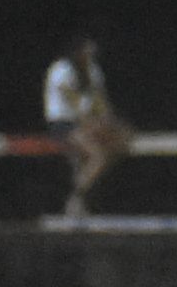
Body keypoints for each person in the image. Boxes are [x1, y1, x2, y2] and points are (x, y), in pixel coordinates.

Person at [46, 34, 124, 218]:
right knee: (97, 155)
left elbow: (100, 101)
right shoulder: (61, 69)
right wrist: (94, 122)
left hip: (85, 122)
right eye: (86, 51)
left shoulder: (92, 69)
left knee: (119, 139)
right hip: (62, 124)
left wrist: (108, 119)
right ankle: (76, 198)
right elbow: (72, 100)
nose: (89, 55)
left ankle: (83, 200)